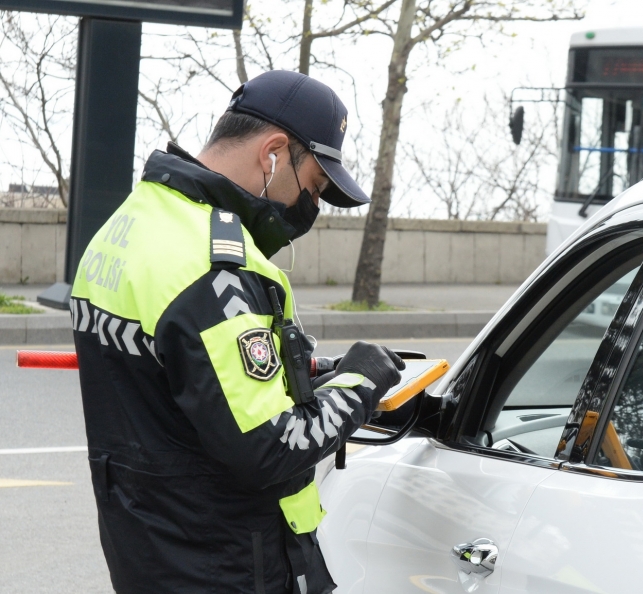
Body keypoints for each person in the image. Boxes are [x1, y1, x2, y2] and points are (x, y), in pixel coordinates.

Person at [70, 70, 404, 594]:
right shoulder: (213, 267)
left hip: (149, 545)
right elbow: (273, 447)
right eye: (313, 186)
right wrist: (361, 381)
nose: (310, 206)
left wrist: (305, 376)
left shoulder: (128, 225)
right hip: (222, 562)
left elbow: (188, 386)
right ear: (274, 153)